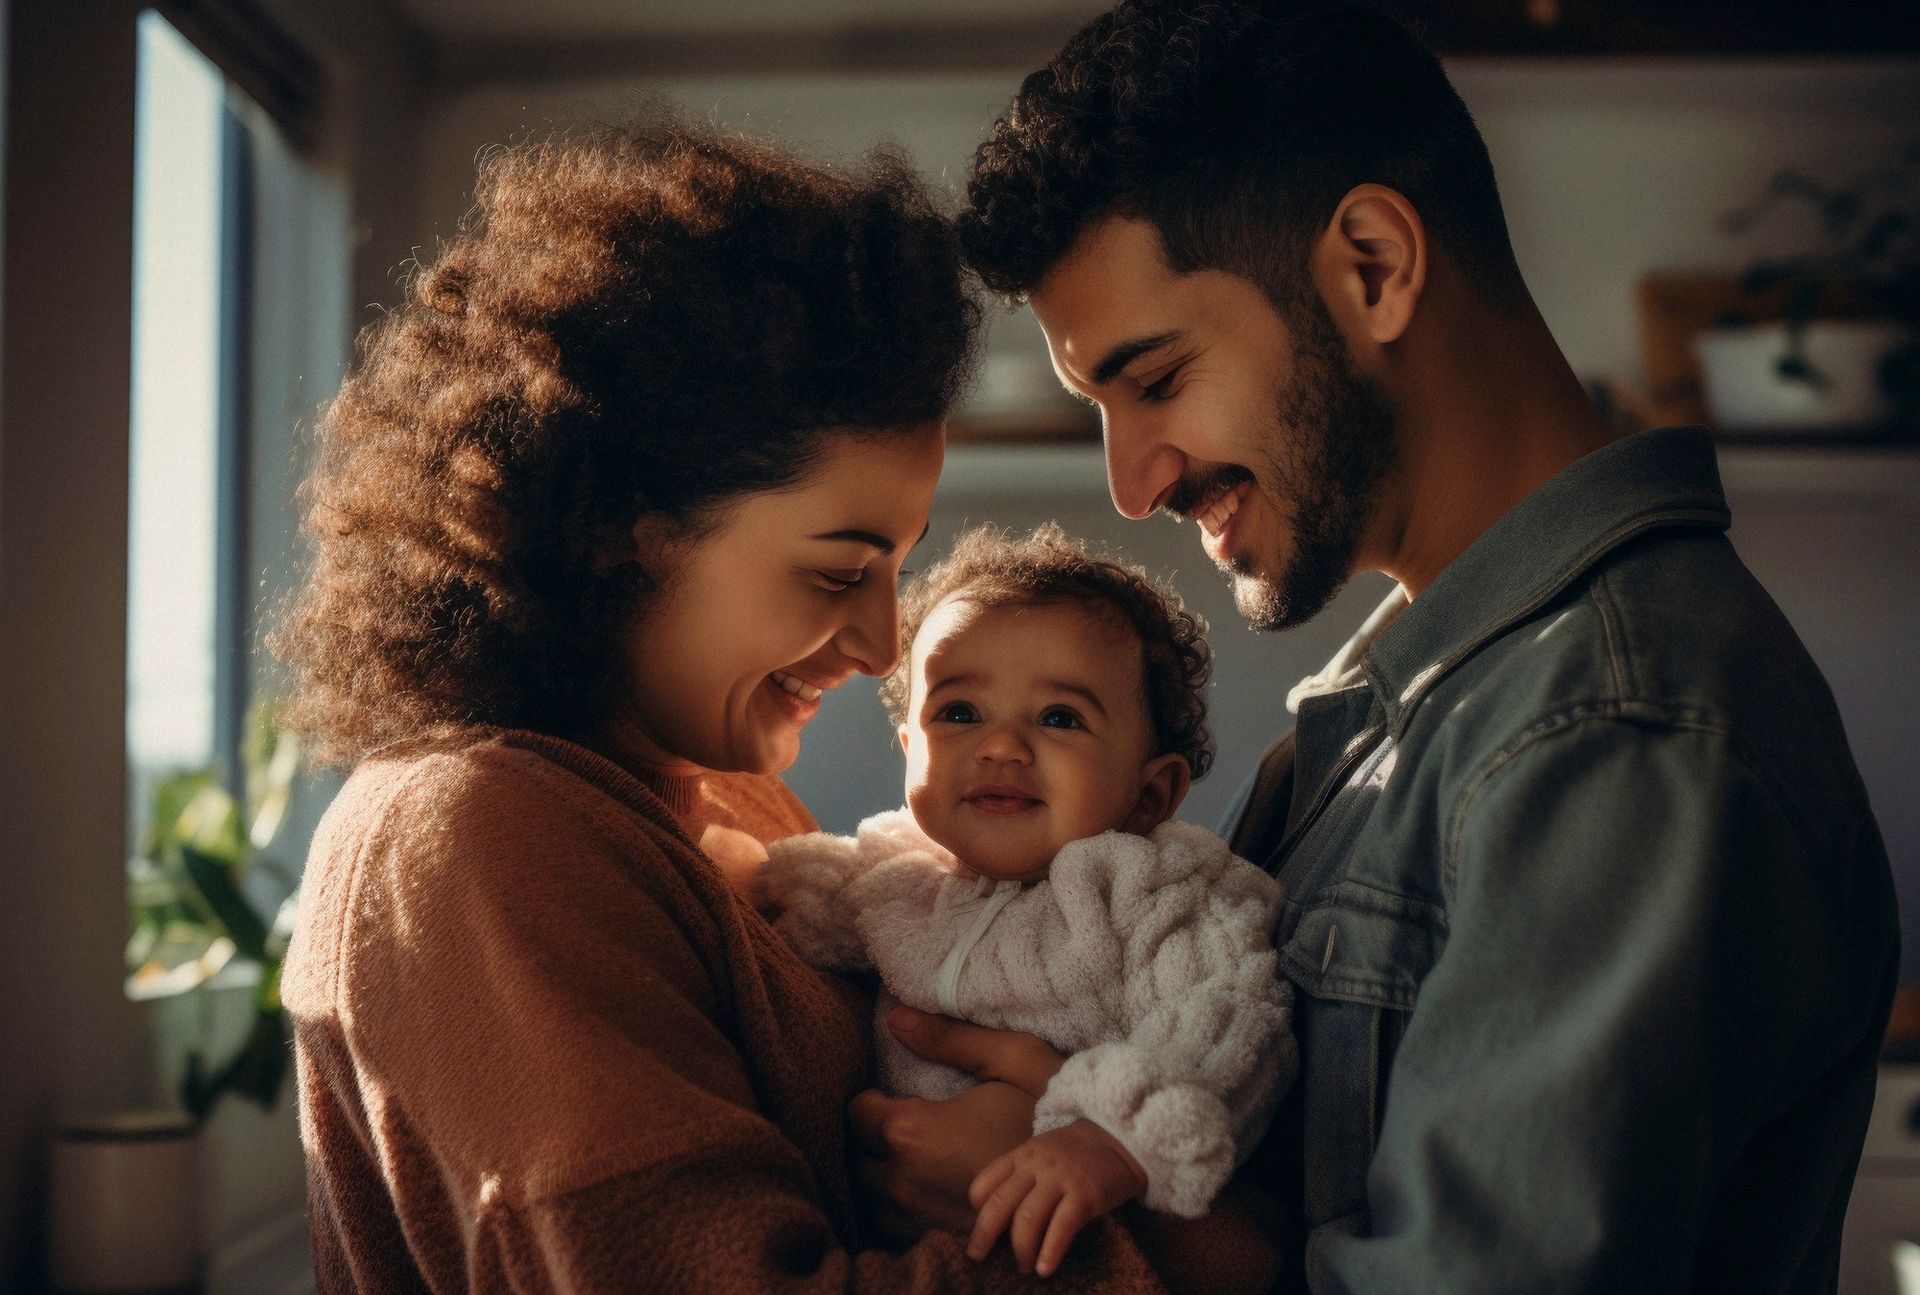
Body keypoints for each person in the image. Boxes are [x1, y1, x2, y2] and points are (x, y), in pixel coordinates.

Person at [844, 1, 1901, 1290]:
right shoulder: (1432, 699)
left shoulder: (1610, 730)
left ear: (1374, 267)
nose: (1132, 483)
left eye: (1159, 379)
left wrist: (1088, 1186)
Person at [274, 116, 1179, 1291]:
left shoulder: (715, 785)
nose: (884, 642)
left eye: (898, 568)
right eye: (837, 569)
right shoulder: (472, 841)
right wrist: (1148, 1226)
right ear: (623, 534)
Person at [746, 523, 1295, 1278]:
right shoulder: (902, 876)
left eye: (1060, 717)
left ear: (1151, 792)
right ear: (910, 749)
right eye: (960, 712)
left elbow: (1231, 1017)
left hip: (1077, 1238)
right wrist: (749, 874)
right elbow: (811, 896)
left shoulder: (1152, 891)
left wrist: (1113, 1137)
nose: (1001, 745)